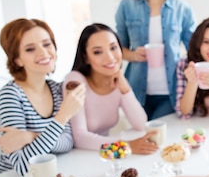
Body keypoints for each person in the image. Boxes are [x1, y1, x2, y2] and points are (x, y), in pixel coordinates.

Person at [0, 18, 85, 176]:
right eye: (30, 49)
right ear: (17, 60)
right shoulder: (11, 95)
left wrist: (30, 136)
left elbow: (67, 143)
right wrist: (63, 115)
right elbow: (24, 166)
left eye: (47, 44)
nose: (43, 52)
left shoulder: (56, 89)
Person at [115, 0, 196, 120]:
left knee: (157, 136)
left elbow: (195, 51)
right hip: (136, 91)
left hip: (171, 92)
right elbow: (117, 50)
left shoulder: (182, 8)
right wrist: (135, 55)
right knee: (141, 138)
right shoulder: (126, 6)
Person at [64, 23, 157, 154]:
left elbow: (141, 124)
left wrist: (125, 89)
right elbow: (80, 138)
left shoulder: (118, 79)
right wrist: (125, 145)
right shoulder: (75, 80)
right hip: (78, 155)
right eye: (97, 52)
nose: (110, 57)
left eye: (113, 48)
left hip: (105, 153)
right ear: (86, 58)